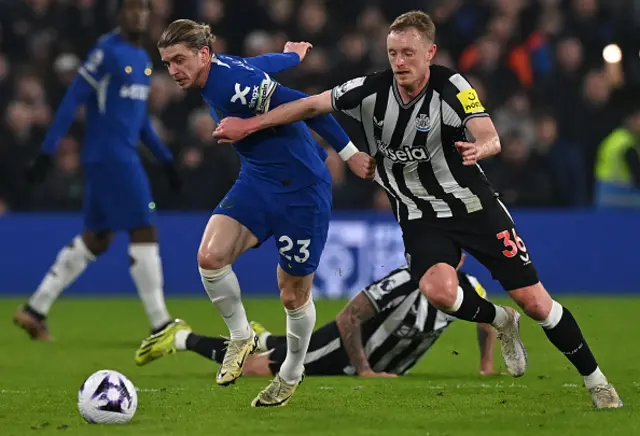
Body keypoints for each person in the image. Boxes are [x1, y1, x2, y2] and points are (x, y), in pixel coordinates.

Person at [212, 11, 622, 408]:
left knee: (535, 302)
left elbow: (488, 132)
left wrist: (482, 147)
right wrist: (248, 126)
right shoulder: (370, 90)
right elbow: (308, 106)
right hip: (419, 216)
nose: (399, 61)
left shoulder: (453, 87)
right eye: (393, 53)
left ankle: (596, 381)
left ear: (430, 53)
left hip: (473, 208)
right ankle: (500, 320)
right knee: (439, 292)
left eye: (408, 53)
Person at [152, 19, 374, 407]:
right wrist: (291, 55)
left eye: (179, 60)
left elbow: (309, 106)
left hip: (302, 191)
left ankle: (291, 372)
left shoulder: (228, 83)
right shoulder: (222, 69)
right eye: (167, 63)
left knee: (292, 295)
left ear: (204, 55)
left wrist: (350, 154)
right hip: (257, 181)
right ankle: (241, 336)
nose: (173, 71)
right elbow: (260, 63)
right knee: (210, 258)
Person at [14, 0, 187, 348]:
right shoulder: (106, 51)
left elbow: (137, 119)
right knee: (144, 229)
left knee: (98, 237)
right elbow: (71, 99)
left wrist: (165, 159)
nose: (138, 15)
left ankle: (35, 308)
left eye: (144, 9)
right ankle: (160, 323)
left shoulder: (142, 59)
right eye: (132, 8)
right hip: (112, 158)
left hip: (115, 158)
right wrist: (48, 151)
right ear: (119, 13)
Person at [130, 256, 499, 378]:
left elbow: (487, 320)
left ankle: (262, 337)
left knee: (268, 348)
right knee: (254, 370)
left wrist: (486, 364)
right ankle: (180, 338)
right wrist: (364, 369)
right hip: (344, 348)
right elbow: (348, 317)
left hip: (365, 361)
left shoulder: (471, 288)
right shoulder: (406, 280)